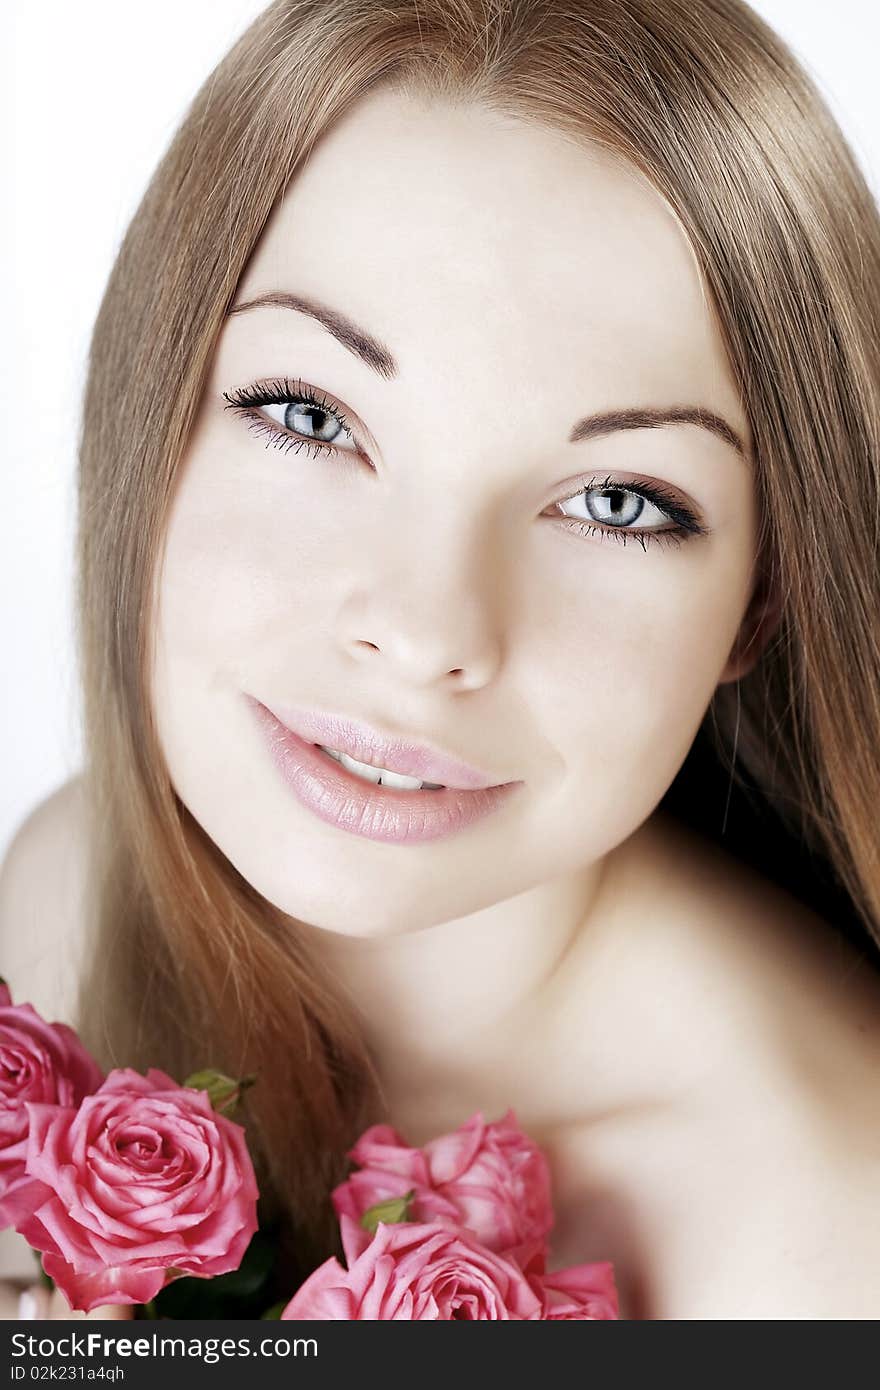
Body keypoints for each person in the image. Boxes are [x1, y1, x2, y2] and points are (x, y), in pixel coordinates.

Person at [2, 0, 879, 1320]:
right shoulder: (72, 885)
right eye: (308, 415)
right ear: (153, 406)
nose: (424, 633)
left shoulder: (817, 1233)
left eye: (618, 500)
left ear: (764, 599)